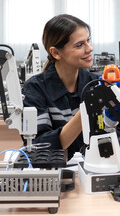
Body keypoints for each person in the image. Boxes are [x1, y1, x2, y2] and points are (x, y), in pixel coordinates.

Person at [22, 14, 98, 160]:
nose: (90, 49)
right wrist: (85, 112)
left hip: (93, 170)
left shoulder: (94, 84)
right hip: (54, 174)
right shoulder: (35, 89)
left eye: (88, 40)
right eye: (79, 45)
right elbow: (38, 147)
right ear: (56, 52)